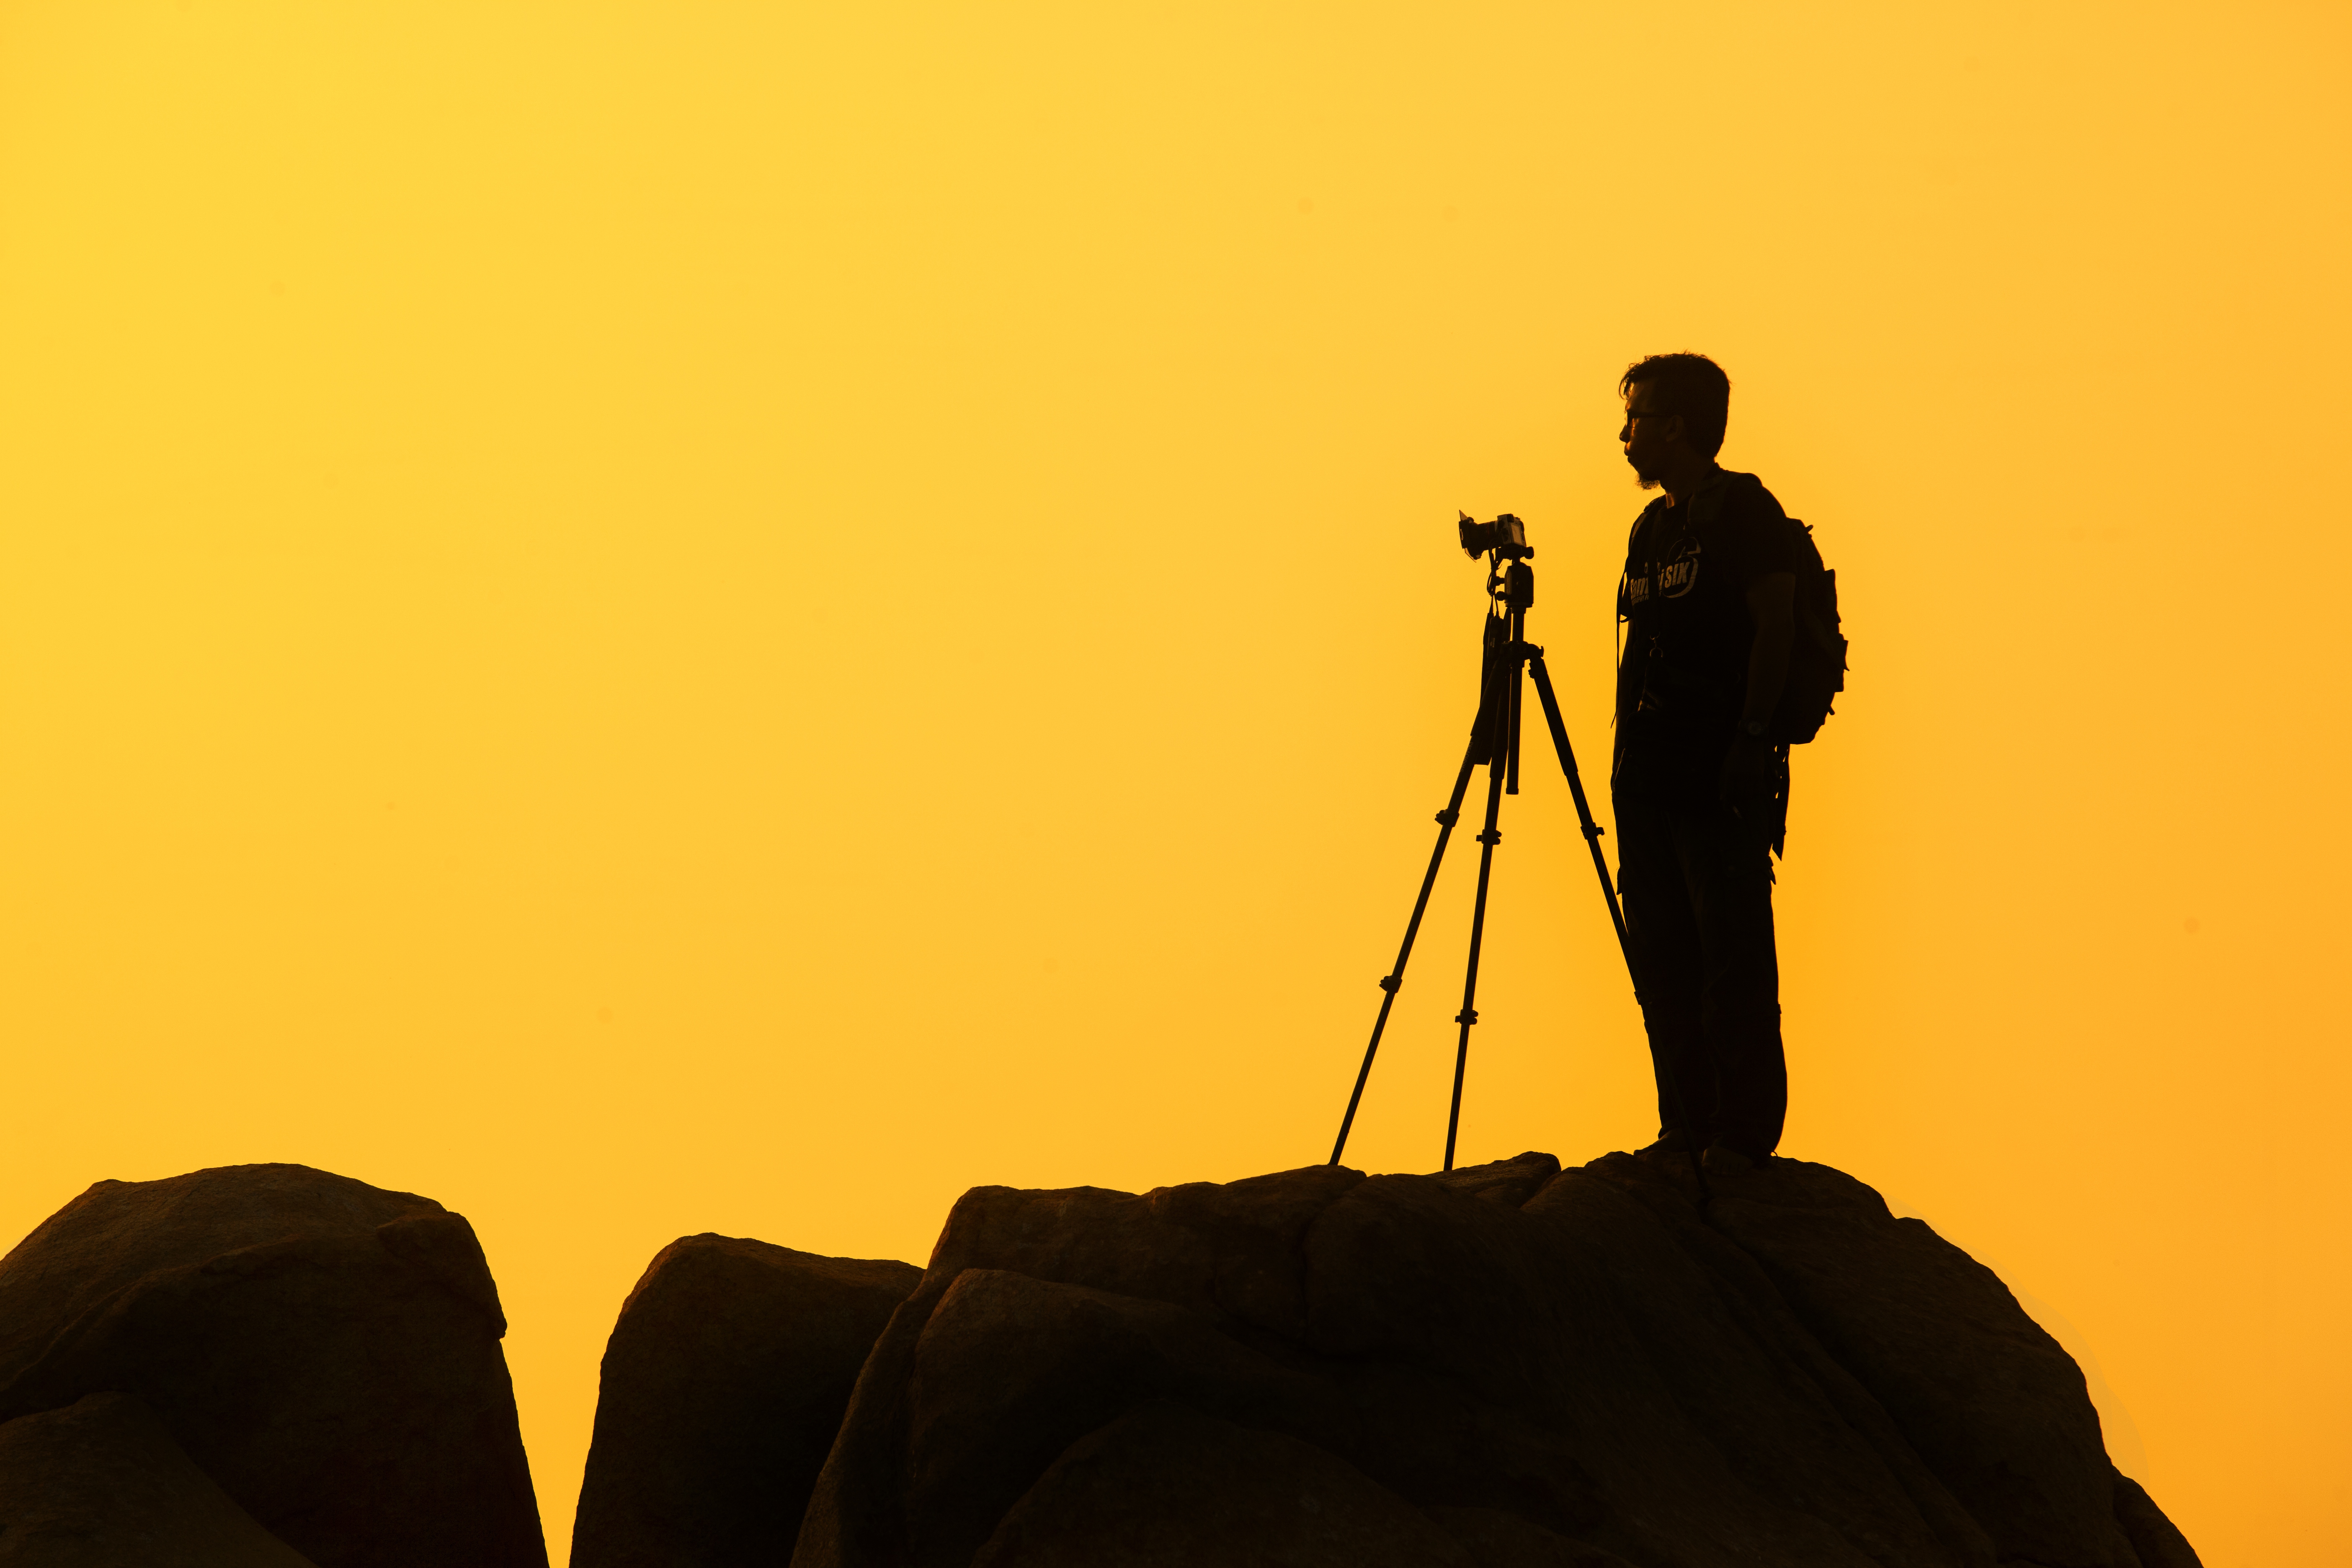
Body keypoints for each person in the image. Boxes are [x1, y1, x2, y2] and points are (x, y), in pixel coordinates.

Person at [1610, 353, 1805, 1176]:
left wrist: (1751, 738)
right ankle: (1681, 1125)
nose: (1625, 436)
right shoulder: (1651, 530)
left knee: (1729, 955)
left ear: (1677, 426)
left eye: (1638, 419)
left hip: (1717, 770)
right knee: (1662, 959)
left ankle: (1741, 1134)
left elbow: (1778, 624)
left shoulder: (1743, 510)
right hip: (1649, 777)